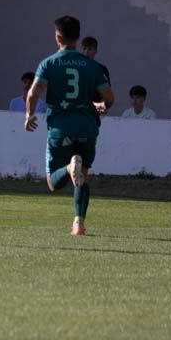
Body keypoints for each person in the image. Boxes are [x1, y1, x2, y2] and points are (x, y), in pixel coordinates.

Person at [24, 15, 114, 237]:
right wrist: (100, 107)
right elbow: (109, 98)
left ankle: (68, 167)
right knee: (82, 176)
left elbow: (33, 93)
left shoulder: (49, 63)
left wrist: (29, 115)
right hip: (87, 127)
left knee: (54, 183)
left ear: (57, 37)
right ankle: (78, 223)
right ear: (78, 37)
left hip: (60, 127)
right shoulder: (93, 66)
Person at [80, 36, 110, 117]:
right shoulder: (74, 68)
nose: (86, 52)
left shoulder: (100, 69)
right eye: (84, 49)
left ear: (95, 51)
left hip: (94, 110)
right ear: (81, 50)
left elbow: (106, 93)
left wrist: (100, 112)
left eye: (90, 49)